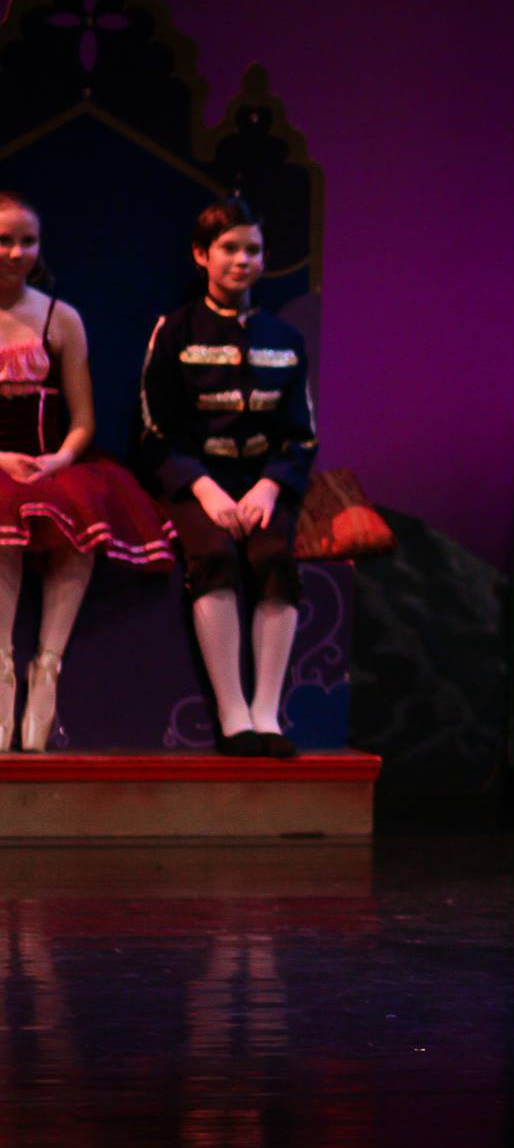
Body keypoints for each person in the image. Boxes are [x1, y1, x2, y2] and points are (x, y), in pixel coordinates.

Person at [137, 197, 317, 758]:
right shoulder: (174, 331)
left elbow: (301, 435)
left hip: (261, 482)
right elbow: (153, 430)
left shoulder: (285, 338)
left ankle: (267, 712)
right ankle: (233, 712)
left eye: (253, 250)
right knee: (214, 553)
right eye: (230, 249)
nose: (243, 260)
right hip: (198, 483)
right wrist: (205, 490)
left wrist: (269, 486)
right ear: (202, 255)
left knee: (274, 557)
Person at [0, 192, 177, 752]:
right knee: (1, 533)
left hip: (51, 461)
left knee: (77, 525)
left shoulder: (61, 317)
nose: (16, 252)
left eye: (27, 241)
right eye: (4, 240)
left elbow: (83, 420)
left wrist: (59, 459)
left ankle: (46, 669)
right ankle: (0, 671)